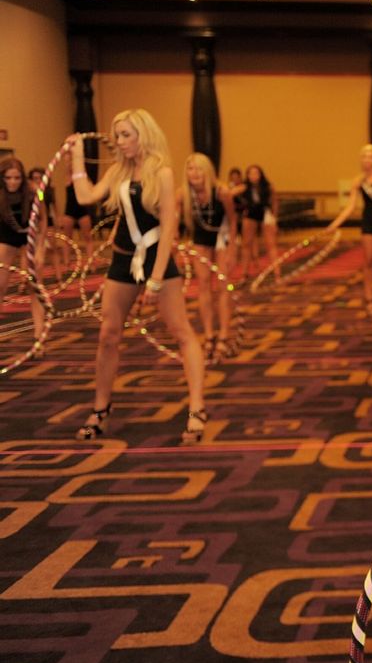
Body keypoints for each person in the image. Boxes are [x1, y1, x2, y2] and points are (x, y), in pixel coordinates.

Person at [66, 109, 208, 443]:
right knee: (108, 335)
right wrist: (75, 158)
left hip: (156, 258)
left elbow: (170, 226)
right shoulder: (118, 170)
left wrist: (156, 279)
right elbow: (86, 196)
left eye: (125, 134)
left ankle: (197, 408)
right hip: (122, 261)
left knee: (181, 332)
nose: (119, 141)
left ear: (143, 134)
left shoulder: (162, 171)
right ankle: (101, 408)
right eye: (116, 135)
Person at [326, 144, 372, 314]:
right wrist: (335, 224)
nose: (367, 159)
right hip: (368, 220)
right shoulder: (358, 180)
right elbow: (350, 207)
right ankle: (369, 298)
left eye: (370, 156)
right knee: (368, 261)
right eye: (364, 156)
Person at [178, 152, 237, 360]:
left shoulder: (222, 192)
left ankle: (224, 334)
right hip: (200, 241)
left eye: (198, 168)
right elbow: (172, 221)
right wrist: (176, 243)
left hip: (222, 238)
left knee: (222, 286)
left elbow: (232, 220)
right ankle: (209, 334)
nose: (194, 173)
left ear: (208, 171)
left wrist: (231, 250)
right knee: (203, 286)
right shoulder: (183, 195)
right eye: (190, 168)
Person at [0, 157, 47, 351]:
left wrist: (41, 248)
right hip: (5, 236)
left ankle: (39, 337)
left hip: (29, 237)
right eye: (8, 178)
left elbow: (44, 219)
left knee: (34, 286)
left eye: (17, 178)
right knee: (0, 286)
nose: (13, 182)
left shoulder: (35, 192)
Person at [232, 164, 280, 281]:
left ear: (261, 174)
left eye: (256, 173)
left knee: (271, 244)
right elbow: (229, 194)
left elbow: (274, 201)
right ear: (247, 176)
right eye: (251, 173)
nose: (253, 176)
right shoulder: (244, 187)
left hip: (264, 212)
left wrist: (274, 217)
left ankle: (277, 272)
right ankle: (244, 273)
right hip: (250, 213)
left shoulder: (268, 187)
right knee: (246, 244)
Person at [60, 162, 96, 263]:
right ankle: (66, 262)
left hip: (82, 210)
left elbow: (91, 190)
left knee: (88, 237)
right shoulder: (68, 177)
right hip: (69, 210)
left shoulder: (84, 179)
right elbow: (68, 165)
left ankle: (90, 262)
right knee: (67, 239)